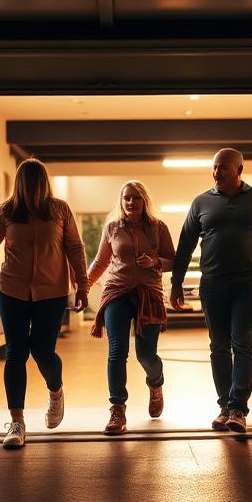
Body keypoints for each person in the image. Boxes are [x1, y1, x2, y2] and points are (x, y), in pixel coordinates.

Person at [0, 158, 88, 449]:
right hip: (13, 290)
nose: (31, 185)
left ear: (43, 182)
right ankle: (17, 423)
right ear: (19, 182)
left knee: (43, 350)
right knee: (16, 352)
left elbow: (74, 247)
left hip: (52, 292)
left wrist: (82, 284)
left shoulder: (59, 210)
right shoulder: (7, 211)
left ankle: (55, 392)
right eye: (26, 180)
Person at [170, 148, 252, 434]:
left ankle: (238, 408)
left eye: (222, 167)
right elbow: (185, 243)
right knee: (218, 346)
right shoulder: (201, 202)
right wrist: (176, 282)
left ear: (239, 169)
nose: (216, 172)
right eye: (214, 167)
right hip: (212, 283)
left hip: (249, 283)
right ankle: (224, 407)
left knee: (243, 343)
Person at [87, 181, 175, 435]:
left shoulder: (158, 228)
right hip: (117, 292)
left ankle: (155, 383)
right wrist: (85, 284)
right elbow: (101, 261)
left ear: (144, 200)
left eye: (136, 198)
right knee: (117, 352)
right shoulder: (112, 228)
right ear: (121, 201)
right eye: (126, 198)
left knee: (145, 355)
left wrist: (155, 262)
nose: (130, 202)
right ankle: (117, 409)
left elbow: (173, 261)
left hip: (149, 293)